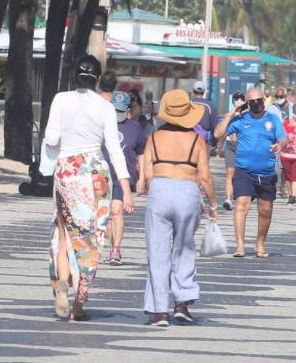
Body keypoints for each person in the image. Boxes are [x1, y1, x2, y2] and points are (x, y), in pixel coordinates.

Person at [43, 55, 133, 321]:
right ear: (97, 79)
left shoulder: (60, 99)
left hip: (67, 171)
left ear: (74, 76)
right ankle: (79, 305)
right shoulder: (105, 107)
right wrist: (126, 189)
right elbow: (115, 150)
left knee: (64, 232)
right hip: (95, 174)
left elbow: (51, 138)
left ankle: (62, 284)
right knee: (92, 237)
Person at [140, 89, 218, 327]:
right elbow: (204, 176)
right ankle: (182, 303)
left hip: (160, 189)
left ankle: (159, 310)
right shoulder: (196, 140)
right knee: (184, 248)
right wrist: (212, 204)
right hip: (187, 190)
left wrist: (157, 190)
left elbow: (148, 173)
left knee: (157, 250)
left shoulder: (153, 137)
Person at [214, 86, 288, 258]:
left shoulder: (272, 119)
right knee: (242, 205)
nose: (256, 104)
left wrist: (280, 144)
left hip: (266, 172)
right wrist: (229, 115)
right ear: (247, 103)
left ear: (264, 101)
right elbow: (218, 133)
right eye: (252, 102)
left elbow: (283, 138)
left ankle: (260, 243)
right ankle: (240, 246)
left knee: (265, 210)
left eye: (259, 101)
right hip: (244, 171)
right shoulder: (240, 119)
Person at [101, 91, 147, 266]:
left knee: (116, 210)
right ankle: (112, 244)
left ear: (127, 110)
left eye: (120, 110)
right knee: (106, 216)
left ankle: (116, 249)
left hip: (122, 178)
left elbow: (141, 154)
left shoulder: (134, 128)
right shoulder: (102, 125)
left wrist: (142, 177)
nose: (117, 113)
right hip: (102, 175)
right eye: (114, 109)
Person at [217, 91, 246, 211]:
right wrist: (220, 146)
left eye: (240, 98)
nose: (238, 100)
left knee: (241, 174)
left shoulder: (247, 114)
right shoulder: (230, 114)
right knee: (230, 173)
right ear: (233, 100)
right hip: (230, 145)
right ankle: (229, 199)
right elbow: (223, 131)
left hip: (243, 147)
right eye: (236, 98)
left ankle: (241, 197)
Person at [192, 81, 217, 148]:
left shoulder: (188, 104)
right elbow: (214, 126)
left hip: (189, 139)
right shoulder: (210, 105)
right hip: (203, 141)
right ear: (204, 91)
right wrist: (213, 142)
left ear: (193, 91)